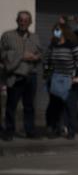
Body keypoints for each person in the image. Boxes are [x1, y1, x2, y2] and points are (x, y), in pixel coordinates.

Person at [2, 10, 43, 140]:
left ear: (30, 22)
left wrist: (36, 57)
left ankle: (30, 131)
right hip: (15, 76)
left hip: (31, 76)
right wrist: (21, 56)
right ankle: (9, 131)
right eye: (21, 20)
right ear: (17, 21)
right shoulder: (8, 36)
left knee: (29, 106)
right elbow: (2, 54)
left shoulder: (35, 37)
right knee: (11, 106)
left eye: (26, 20)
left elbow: (41, 54)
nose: (23, 23)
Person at [43, 21, 78, 139]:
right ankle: (55, 128)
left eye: (58, 30)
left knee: (70, 107)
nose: (55, 32)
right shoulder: (52, 46)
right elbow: (47, 61)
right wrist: (47, 76)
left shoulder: (71, 45)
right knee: (55, 106)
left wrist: (77, 76)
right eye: (54, 30)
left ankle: (71, 130)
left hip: (69, 80)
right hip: (55, 79)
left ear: (64, 32)